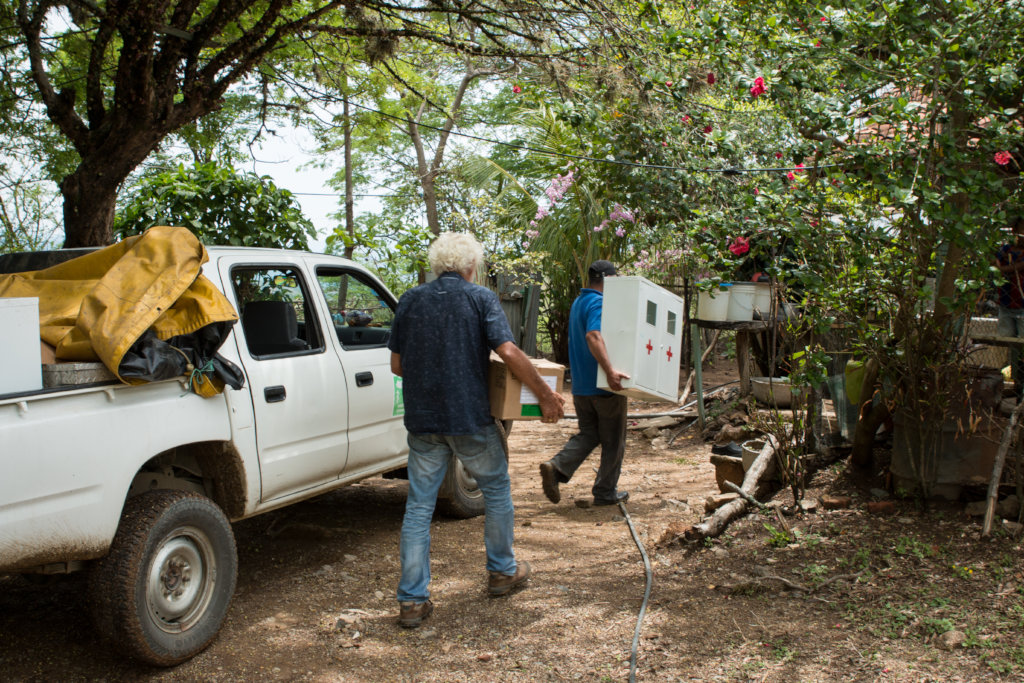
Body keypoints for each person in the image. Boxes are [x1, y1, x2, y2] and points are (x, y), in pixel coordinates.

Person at [388, 232, 565, 629]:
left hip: (424, 422)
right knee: (497, 490)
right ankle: (502, 572)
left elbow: (397, 366)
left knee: (418, 508)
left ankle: (412, 601)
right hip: (469, 418)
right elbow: (508, 351)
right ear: (471, 266)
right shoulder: (480, 298)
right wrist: (544, 394)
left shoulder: (410, 300)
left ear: (437, 265)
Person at [539, 260, 631, 507]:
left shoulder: (579, 302)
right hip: (603, 387)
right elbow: (593, 335)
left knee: (590, 434)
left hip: (581, 387)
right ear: (608, 279)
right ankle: (605, 492)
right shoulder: (598, 302)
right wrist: (610, 371)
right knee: (614, 440)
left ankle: (557, 467)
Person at [995, 216, 1024, 397]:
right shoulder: (1006, 249)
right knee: (1009, 342)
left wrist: (1005, 268)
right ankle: (1015, 382)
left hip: (1022, 305)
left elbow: (1008, 268)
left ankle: (1020, 385)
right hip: (1006, 303)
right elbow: (995, 262)